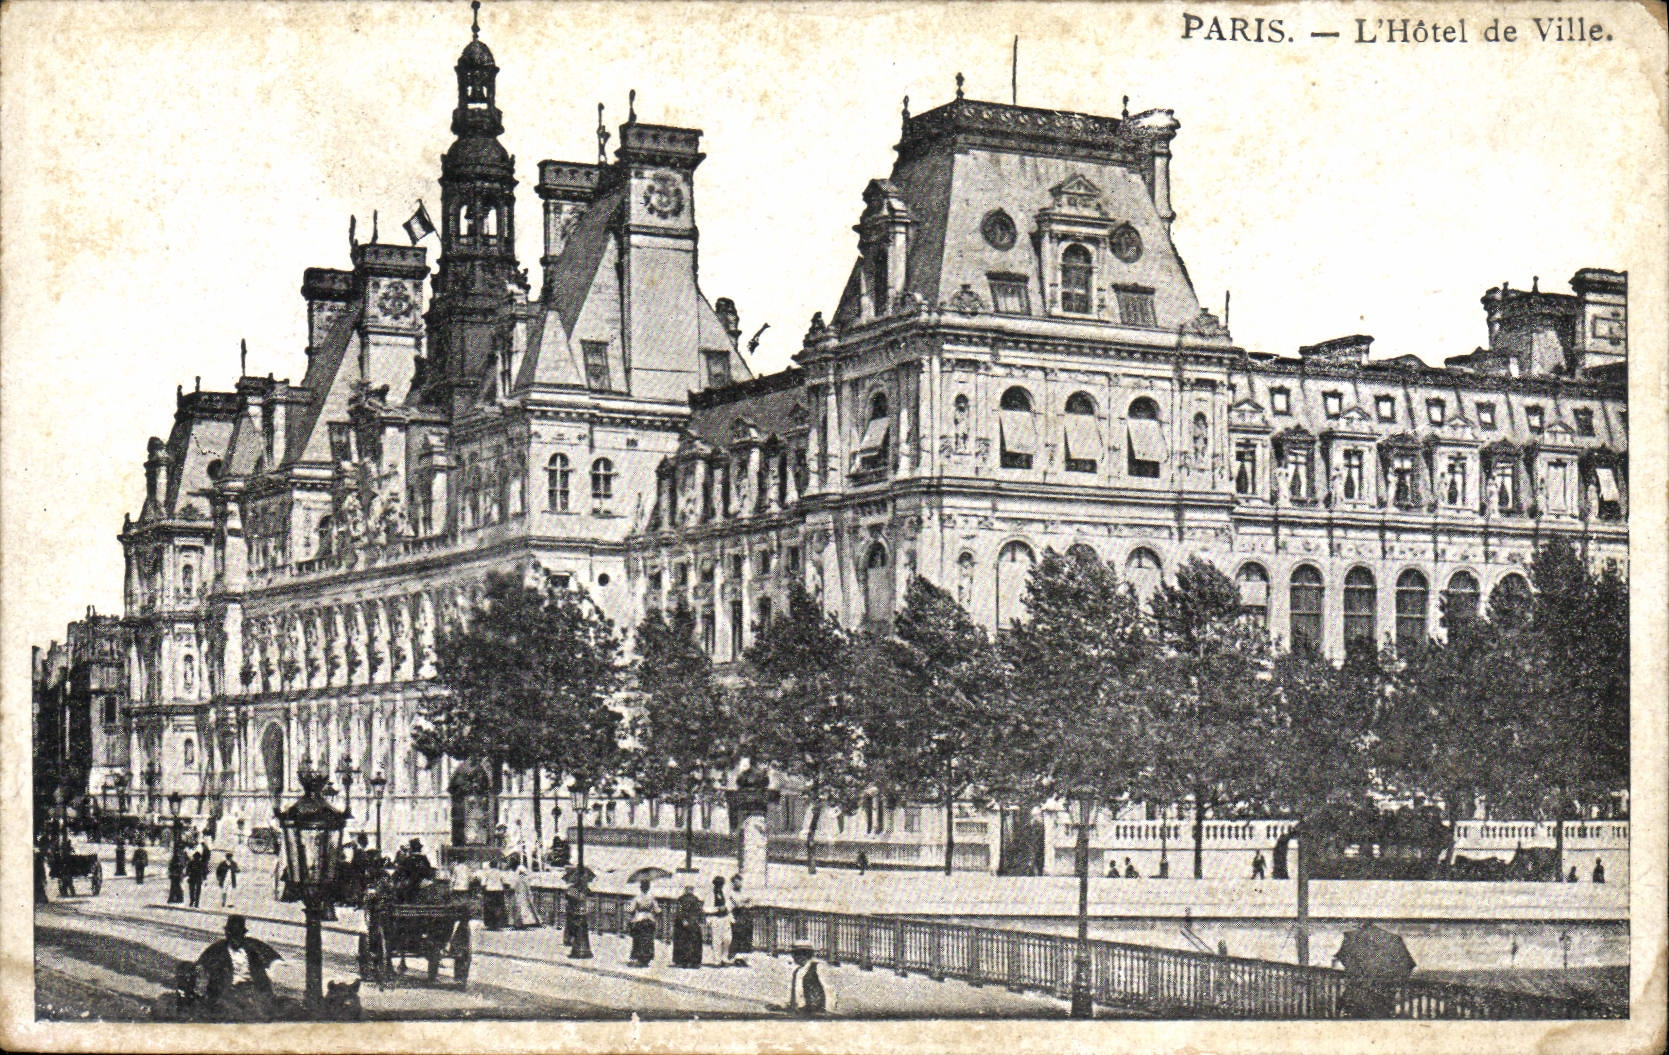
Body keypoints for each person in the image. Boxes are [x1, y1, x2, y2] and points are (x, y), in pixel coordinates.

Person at [196, 914, 282, 1021]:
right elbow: (202, 966)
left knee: (261, 1014)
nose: (234, 938)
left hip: (252, 990)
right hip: (228, 991)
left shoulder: (252, 949)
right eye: (231, 934)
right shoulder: (217, 950)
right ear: (227, 934)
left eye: (238, 934)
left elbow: (268, 966)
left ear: (243, 935)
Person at [1333, 920, 1415, 1018]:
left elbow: (1343, 960)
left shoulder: (1353, 938)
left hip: (1355, 996)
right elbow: (1407, 967)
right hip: (1381, 998)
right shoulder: (1392, 940)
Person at [787, 940, 833, 1015]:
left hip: (817, 1011)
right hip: (802, 1011)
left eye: (796, 954)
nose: (794, 957)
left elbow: (828, 990)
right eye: (794, 954)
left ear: (805, 955)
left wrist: (828, 1011)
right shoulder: (797, 971)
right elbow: (795, 993)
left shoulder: (817, 967)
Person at [627, 878, 658, 967]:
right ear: (649, 887)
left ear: (640, 887)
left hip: (639, 918)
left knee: (638, 939)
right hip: (650, 919)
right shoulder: (652, 898)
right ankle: (647, 957)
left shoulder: (637, 898)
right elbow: (657, 910)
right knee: (648, 939)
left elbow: (631, 909)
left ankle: (638, 957)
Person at [672, 885, 705, 968]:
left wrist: (701, 920)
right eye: (688, 890)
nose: (689, 891)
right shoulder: (681, 900)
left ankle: (694, 962)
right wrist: (683, 920)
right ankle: (681, 961)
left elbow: (700, 911)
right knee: (682, 942)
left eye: (691, 890)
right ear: (685, 891)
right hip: (682, 925)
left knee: (695, 942)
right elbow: (678, 911)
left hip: (693, 924)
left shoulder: (696, 899)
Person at [708, 876, 734, 966]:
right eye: (718, 884)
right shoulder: (710, 895)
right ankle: (717, 960)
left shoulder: (725, 894)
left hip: (725, 918)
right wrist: (717, 909)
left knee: (727, 938)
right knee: (717, 940)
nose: (720, 886)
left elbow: (729, 905)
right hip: (716, 919)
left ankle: (724, 958)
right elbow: (706, 908)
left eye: (721, 884)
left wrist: (726, 908)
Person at [508, 854, 539, 929]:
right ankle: (524, 922)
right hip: (523, 892)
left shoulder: (518, 875)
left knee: (519, 906)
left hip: (519, 892)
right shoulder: (524, 876)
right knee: (523, 906)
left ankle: (519, 923)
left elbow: (513, 885)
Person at [729, 874, 753, 958]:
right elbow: (736, 904)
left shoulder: (744, 892)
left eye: (739, 882)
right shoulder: (731, 893)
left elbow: (750, 903)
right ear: (733, 883)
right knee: (737, 935)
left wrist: (742, 902)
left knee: (747, 935)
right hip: (737, 915)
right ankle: (735, 955)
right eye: (735, 882)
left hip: (746, 916)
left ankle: (745, 956)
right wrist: (743, 902)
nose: (738, 883)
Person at [481, 859, 507, 930]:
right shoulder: (500, 872)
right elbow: (505, 882)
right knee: (499, 907)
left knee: (489, 907)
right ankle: (498, 924)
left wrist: (483, 890)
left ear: (490, 865)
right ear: (497, 865)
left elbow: (483, 883)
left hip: (489, 891)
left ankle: (490, 924)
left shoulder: (487, 872)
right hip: (499, 890)